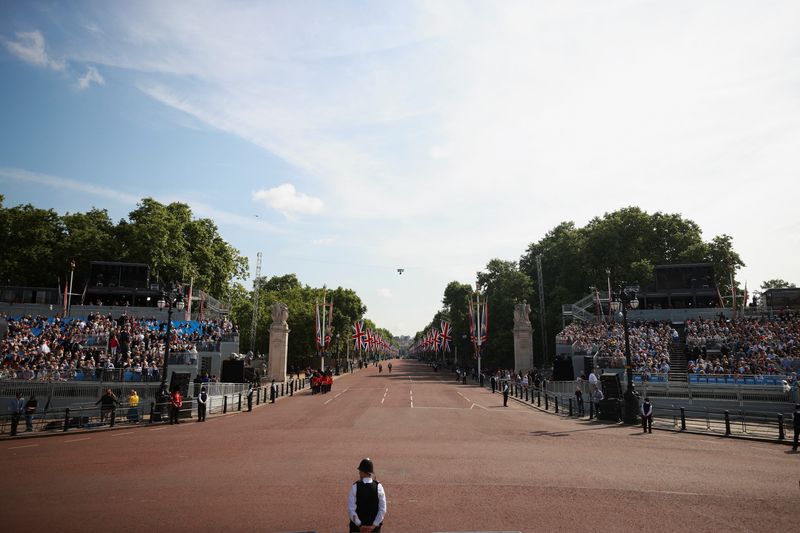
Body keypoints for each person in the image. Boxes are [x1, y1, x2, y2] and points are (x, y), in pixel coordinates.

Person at [347, 458, 387, 532]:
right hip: (374, 529)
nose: (359, 473)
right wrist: (373, 526)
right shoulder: (379, 486)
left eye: (360, 471)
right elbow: (382, 509)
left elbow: (351, 510)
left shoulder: (355, 486)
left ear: (363, 472)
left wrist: (360, 525)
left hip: (357, 529)